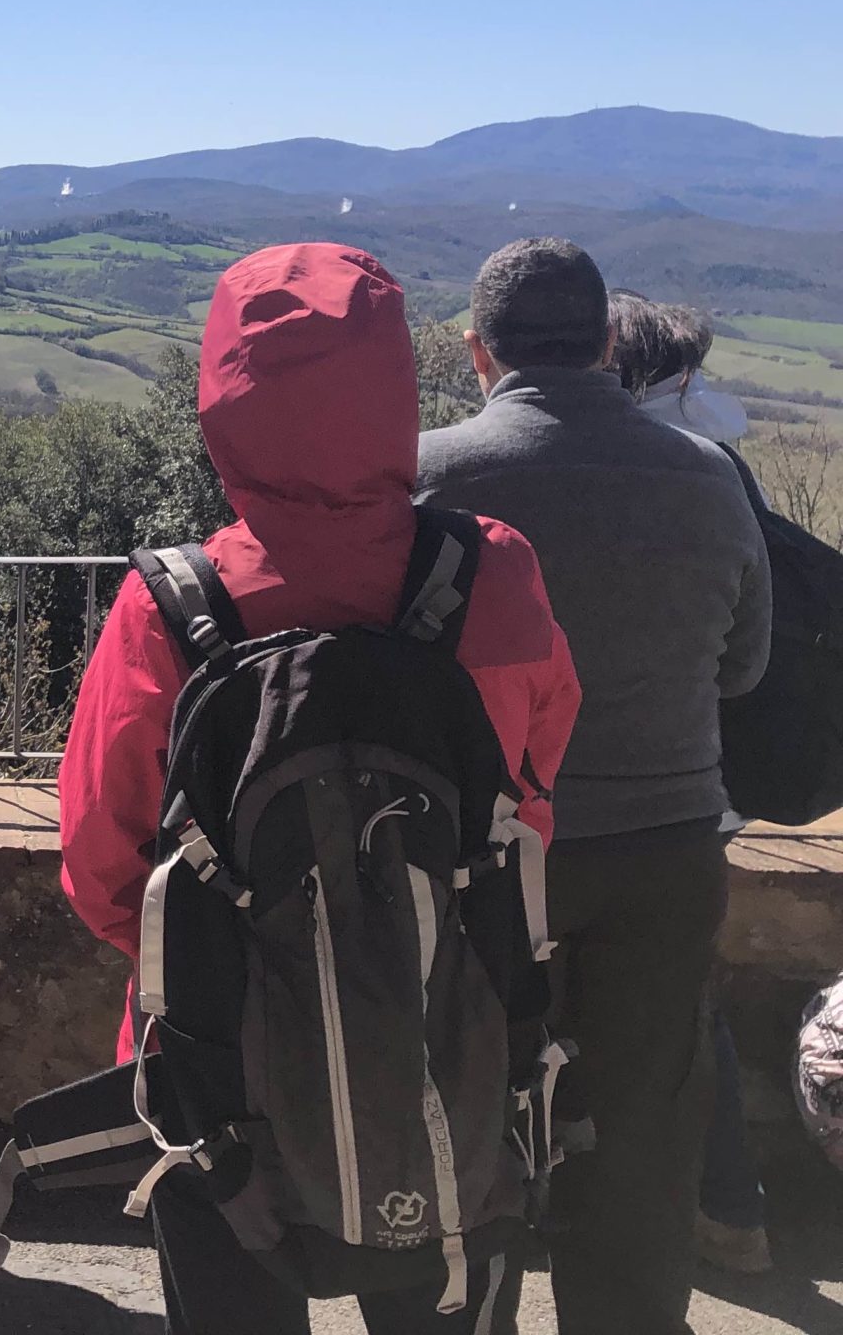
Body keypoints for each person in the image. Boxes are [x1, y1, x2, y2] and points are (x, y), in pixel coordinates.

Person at [61, 242, 581, 1335]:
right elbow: (529, 797)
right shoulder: (494, 570)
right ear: (395, 385)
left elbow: (105, 868)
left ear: (223, 395)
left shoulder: (170, 605)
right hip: (456, 1052)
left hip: (220, 1087)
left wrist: (259, 975)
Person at [418, 240, 771, 1335]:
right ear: (610, 343)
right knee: (644, 1128)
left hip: (481, 852)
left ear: (476, 351)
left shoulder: (427, 476)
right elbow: (745, 667)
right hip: (664, 846)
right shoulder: (708, 478)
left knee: (461, 1110)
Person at [608, 291, 771, 1276]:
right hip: (691, 788)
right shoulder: (720, 472)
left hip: (557, 787)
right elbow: (746, 660)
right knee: (679, 1004)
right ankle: (727, 1208)